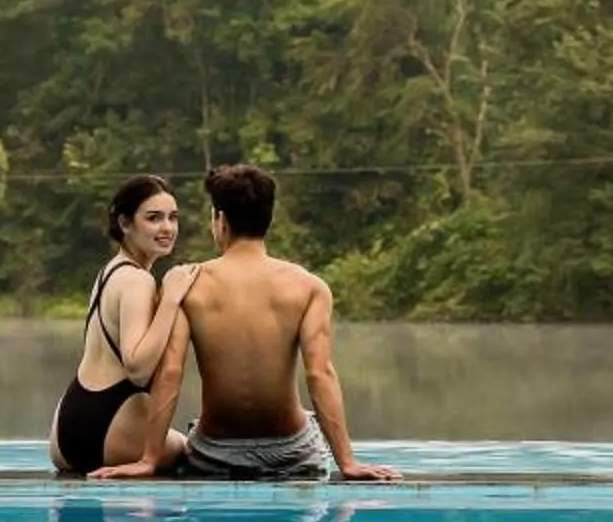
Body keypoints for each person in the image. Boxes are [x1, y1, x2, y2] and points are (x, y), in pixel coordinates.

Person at [93, 164, 397, 483]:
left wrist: (149, 459)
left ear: (220, 221)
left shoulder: (189, 285)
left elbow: (170, 373)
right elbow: (319, 374)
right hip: (291, 452)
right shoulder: (309, 287)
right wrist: (347, 463)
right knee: (306, 423)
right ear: (268, 219)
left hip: (215, 452)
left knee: (193, 433)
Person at [48, 175, 201, 476]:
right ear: (125, 223)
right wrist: (171, 299)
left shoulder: (110, 271)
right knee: (201, 453)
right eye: (154, 218)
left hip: (67, 429)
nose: (167, 228)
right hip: (110, 427)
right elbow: (138, 366)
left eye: (173, 218)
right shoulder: (136, 280)